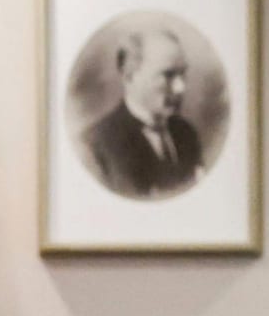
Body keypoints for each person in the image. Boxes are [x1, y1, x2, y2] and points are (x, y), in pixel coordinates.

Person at [83, 25, 205, 199]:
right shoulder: (94, 145)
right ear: (129, 77)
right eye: (168, 75)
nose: (181, 88)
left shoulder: (187, 134)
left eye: (182, 74)